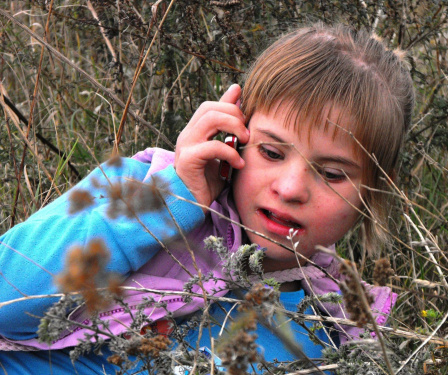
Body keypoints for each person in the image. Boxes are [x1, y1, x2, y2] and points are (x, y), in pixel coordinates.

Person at [0, 23, 414, 373]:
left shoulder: (339, 329)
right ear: (233, 136)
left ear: (377, 190)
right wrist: (168, 201)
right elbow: (10, 299)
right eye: (271, 152)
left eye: (331, 174)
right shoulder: (139, 187)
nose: (289, 189)